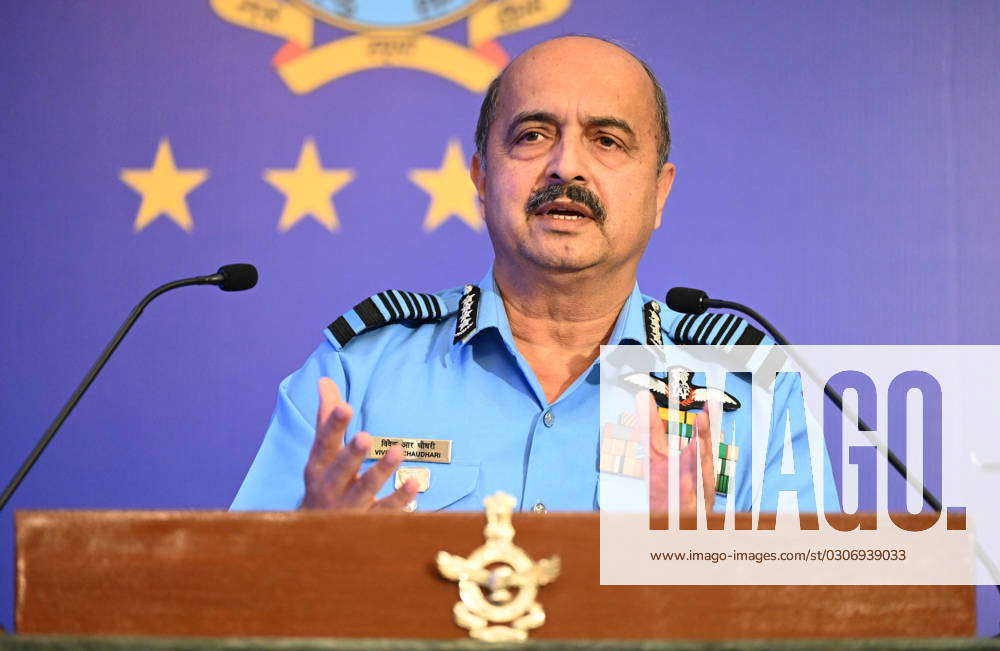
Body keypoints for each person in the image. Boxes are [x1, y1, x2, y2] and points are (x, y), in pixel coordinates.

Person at [231, 36, 837, 514]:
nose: (566, 165)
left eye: (607, 140)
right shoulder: (357, 373)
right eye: (532, 136)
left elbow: (818, 618)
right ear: (481, 178)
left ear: (659, 192)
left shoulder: (755, 393)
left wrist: (694, 567)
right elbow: (238, 595)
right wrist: (308, 550)